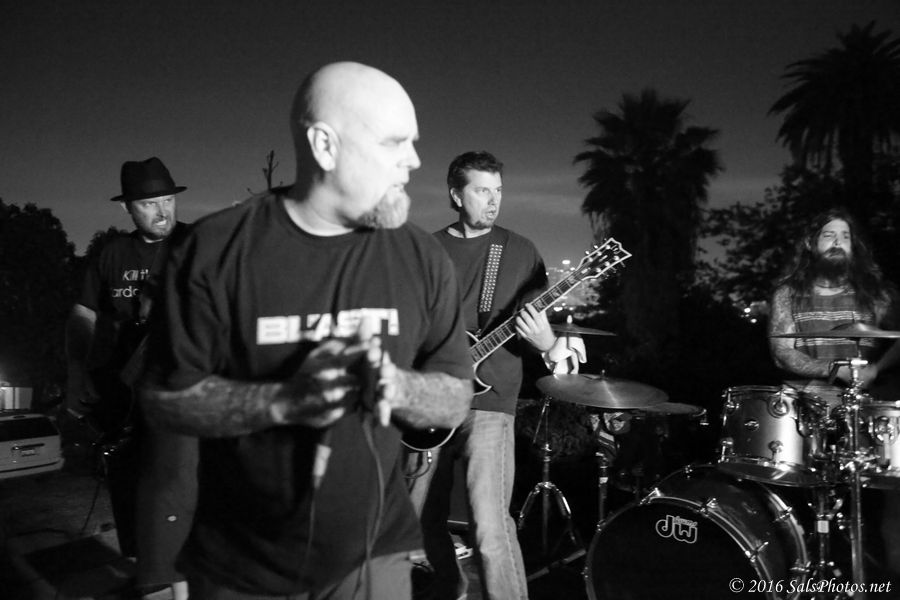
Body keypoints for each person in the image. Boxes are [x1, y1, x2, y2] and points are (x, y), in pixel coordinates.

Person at [138, 61, 473, 599]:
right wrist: (285, 401)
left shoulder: (422, 258)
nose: (413, 161)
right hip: (240, 566)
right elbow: (165, 402)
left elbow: (456, 398)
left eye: (413, 142)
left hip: (373, 557)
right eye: (394, 143)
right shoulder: (216, 250)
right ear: (324, 145)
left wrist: (396, 386)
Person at [408, 151, 568, 600]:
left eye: (498, 191)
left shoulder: (519, 251)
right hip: (431, 401)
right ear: (456, 195)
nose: (494, 200)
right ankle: (448, 588)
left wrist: (546, 343)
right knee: (421, 521)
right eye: (482, 191)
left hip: (490, 402)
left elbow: (540, 328)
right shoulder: (425, 251)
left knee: (490, 528)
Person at [64, 156, 195, 599]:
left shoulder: (197, 243)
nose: (162, 212)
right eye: (149, 204)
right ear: (127, 208)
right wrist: (76, 371)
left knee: (182, 491)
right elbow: (84, 313)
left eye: (167, 201)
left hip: (183, 393)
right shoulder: (112, 254)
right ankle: (148, 578)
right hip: (125, 393)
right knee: (131, 491)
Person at [768, 207, 900, 579]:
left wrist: (877, 368)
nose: (837, 242)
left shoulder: (878, 294)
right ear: (812, 243)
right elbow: (781, 351)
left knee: (880, 502)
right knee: (796, 499)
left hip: (865, 409)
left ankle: (877, 575)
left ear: (855, 246)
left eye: (845, 236)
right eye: (828, 235)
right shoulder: (789, 293)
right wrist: (831, 370)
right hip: (805, 406)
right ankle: (799, 569)